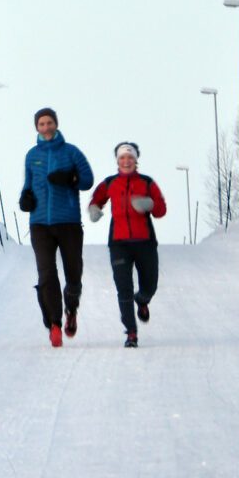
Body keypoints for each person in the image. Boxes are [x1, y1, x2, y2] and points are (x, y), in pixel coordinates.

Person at [19, 107, 94, 347]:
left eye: (49, 122)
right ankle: (54, 324)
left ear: (56, 124)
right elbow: (28, 184)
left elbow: (87, 180)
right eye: (41, 124)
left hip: (68, 222)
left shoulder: (71, 152)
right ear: (36, 127)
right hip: (40, 223)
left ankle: (71, 308)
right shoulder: (32, 155)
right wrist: (25, 199)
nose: (46, 127)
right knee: (46, 274)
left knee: (73, 273)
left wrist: (70, 179)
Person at [87, 141, 167, 348]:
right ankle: (131, 332)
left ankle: (142, 300)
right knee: (123, 288)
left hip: (145, 242)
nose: (126, 161)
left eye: (130, 157)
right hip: (119, 243)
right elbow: (97, 198)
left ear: (136, 160)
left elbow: (160, 210)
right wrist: (94, 208)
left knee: (150, 284)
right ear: (117, 161)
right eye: (122, 157)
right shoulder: (110, 183)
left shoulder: (147, 183)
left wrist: (149, 204)